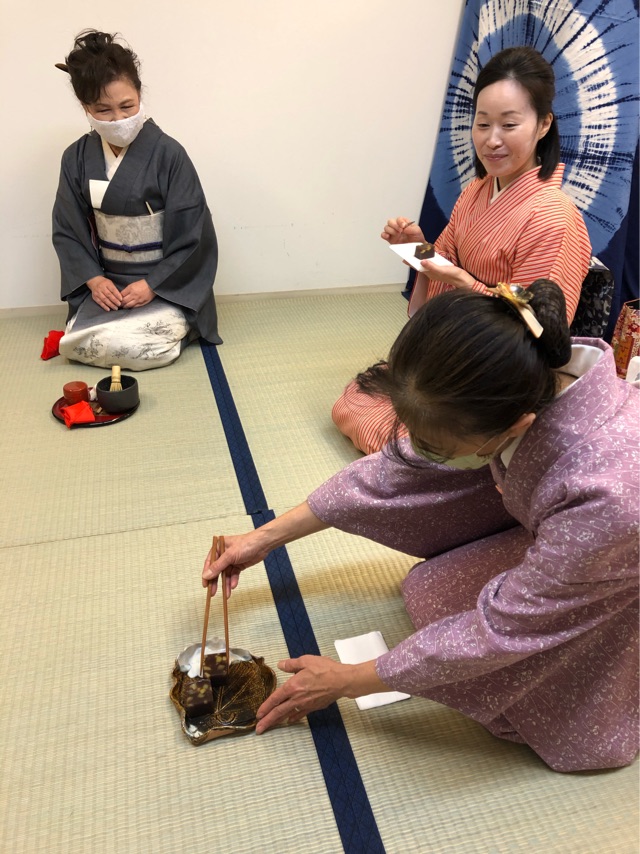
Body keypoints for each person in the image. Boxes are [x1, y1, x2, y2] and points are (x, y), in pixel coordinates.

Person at [203, 280, 638, 773]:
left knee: (530, 702)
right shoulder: (523, 374)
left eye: (436, 445)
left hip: (620, 579)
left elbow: (503, 629)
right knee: (430, 592)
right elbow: (396, 470)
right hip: (586, 546)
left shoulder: (608, 497)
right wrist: (264, 537)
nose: (419, 450)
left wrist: (346, 681)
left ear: (515, 426)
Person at [332, 46, 592, 455]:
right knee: (356, 400)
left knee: (405, 433)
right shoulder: (475, 191)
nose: (491, 140)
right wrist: (415, 249)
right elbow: (442, 266)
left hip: (499, 373)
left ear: (543, 124)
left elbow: (539, 332)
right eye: (482, 123)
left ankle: (464, 451)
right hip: (458, 352)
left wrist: (462, 281)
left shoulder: (553, 217)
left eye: (509, 124)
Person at [52, 30, 221, 371]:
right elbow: (68, 229)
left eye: (126, 106)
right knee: (73, 345)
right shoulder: (76, 158)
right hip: (110, 287)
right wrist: (95, 281)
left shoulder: (169, 154)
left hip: (165, 285)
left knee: (146, 346)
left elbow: (193, 236)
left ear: (140, 95)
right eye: (103, 109)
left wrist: (152, 284)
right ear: (86, 108)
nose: (118, 119)